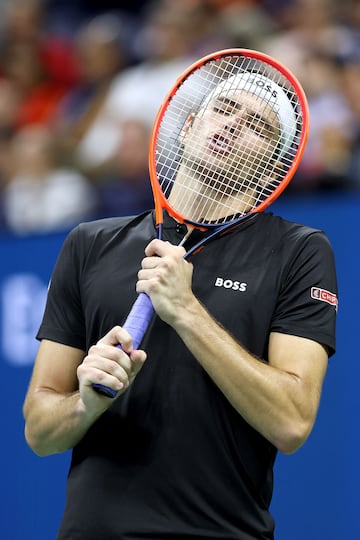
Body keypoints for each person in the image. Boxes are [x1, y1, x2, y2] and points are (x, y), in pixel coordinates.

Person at [23, 60, 338, 540]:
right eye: (225, 109)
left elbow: (292, 420)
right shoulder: (89, 243)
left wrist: (186, 309)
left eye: (256, 125)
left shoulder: (298, 251)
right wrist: (85, 404)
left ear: (274, 162)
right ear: (189, 128)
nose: (233, 125)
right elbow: (40, 433)